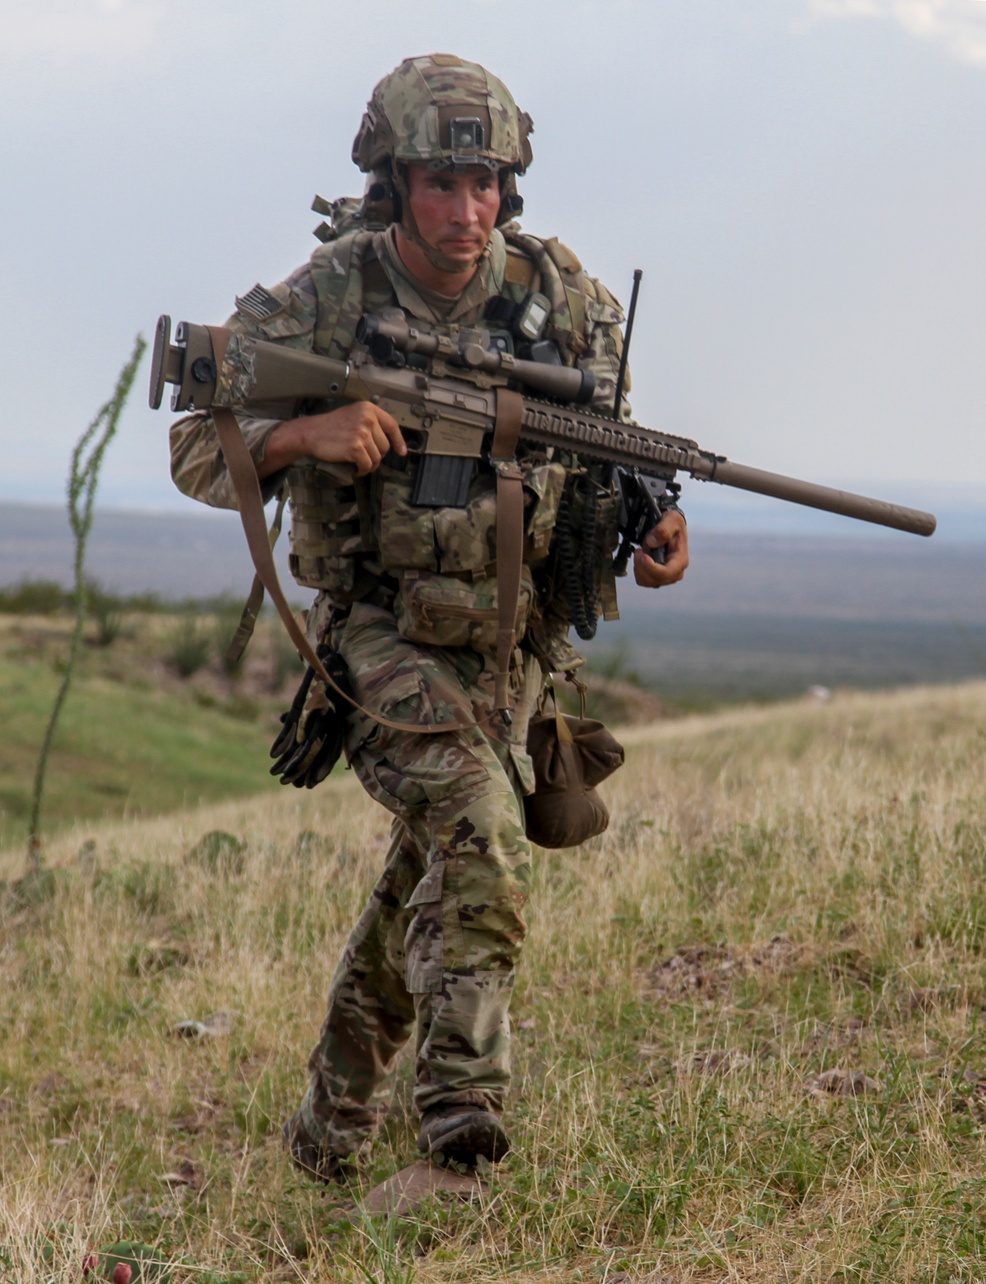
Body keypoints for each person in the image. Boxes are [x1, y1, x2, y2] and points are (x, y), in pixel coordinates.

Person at [170, 53, 689, 1185]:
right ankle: (458, 1125)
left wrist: (655, 524)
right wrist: (305, 436)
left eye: (487, 184)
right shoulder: (327, 296)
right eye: (441, 185)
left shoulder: (566, 304)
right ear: (392, 180)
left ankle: (326, 1133)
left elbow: (611, 447)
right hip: (379, 637)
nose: (467, 211)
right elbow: (194, 444)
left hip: (513, 659)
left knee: (427, 883)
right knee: (480, 836)